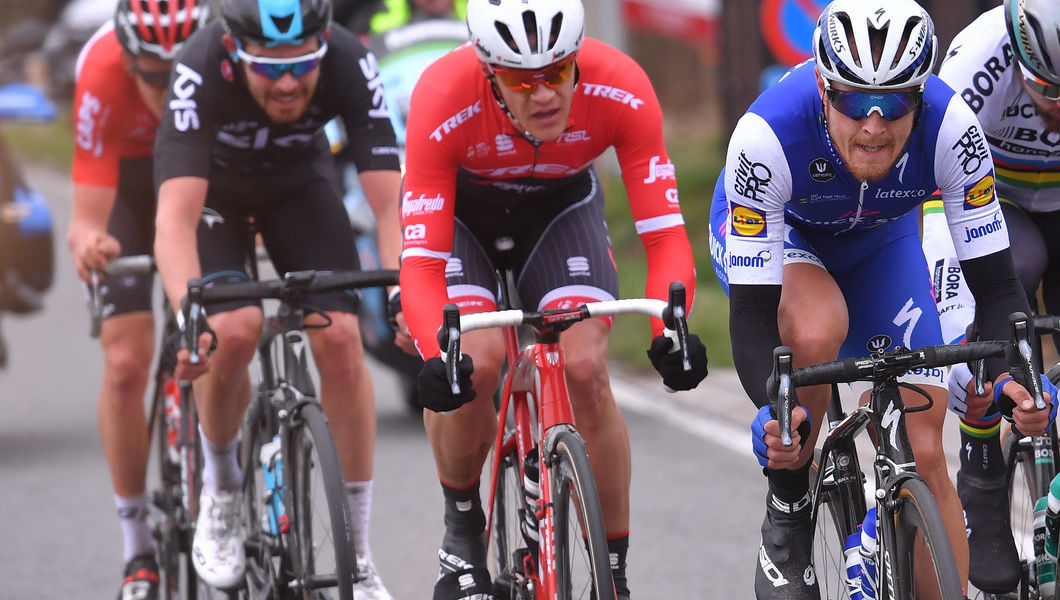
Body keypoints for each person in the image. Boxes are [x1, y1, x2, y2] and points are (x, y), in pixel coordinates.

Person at [707, 0, 1056, 597]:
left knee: (926, 451)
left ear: (920, 96)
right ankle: (789, 507)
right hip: (789, 239)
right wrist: (776, 405)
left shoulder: (952, 128)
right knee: (817, 328)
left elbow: (997, 286)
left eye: (894, 103)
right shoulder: (765, 136)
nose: (873, 124)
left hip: (880, 244)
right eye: (852, 99)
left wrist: (1012, 376)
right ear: (822, 86)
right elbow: (751, 315)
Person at [396, 0, 709, 598]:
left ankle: (611, 570)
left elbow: (665, 235)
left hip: (559, 208)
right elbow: (422, 264)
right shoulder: (442, 95)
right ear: (489, 72)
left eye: (558, 73)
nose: (543, 95)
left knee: (585, 367)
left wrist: (669, 332)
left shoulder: (623, 86)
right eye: (520, 79)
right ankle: (462, 531)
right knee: (477, 360)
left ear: (577, 63)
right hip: (463, 215)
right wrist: (440, 352)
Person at [152, 0, 402, 597]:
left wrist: (402, 293)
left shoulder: (347, 56)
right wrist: (192, 323)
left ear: (323, 44)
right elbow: (174, 222)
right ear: (236, 53)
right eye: (269, 67)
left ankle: (359, 553)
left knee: (341, 337)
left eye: (302, 64)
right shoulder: (199, 65)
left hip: (298, 185)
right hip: (211, 192)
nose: (288, 82)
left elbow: (393, 206)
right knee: (233, 329)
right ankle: (219, 489)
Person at [66, 1, 208, 598]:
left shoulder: (217, 70)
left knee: (218, 339)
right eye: (153, 75)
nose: (168, 87)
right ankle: (136, 548)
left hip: (196, 174)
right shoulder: (100, 71)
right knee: (126, 363)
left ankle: (224, 492)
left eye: (180, 72)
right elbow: (85, 217)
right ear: (127, 61)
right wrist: (91, 243)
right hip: (126, 184)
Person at [919, 0, 1060, 593]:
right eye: (1049, 94)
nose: (1058, 114)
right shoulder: (978, 60)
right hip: (990, 198)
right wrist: (954, 317)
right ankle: (981, 472)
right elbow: (933, 193)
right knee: (1006, 279)